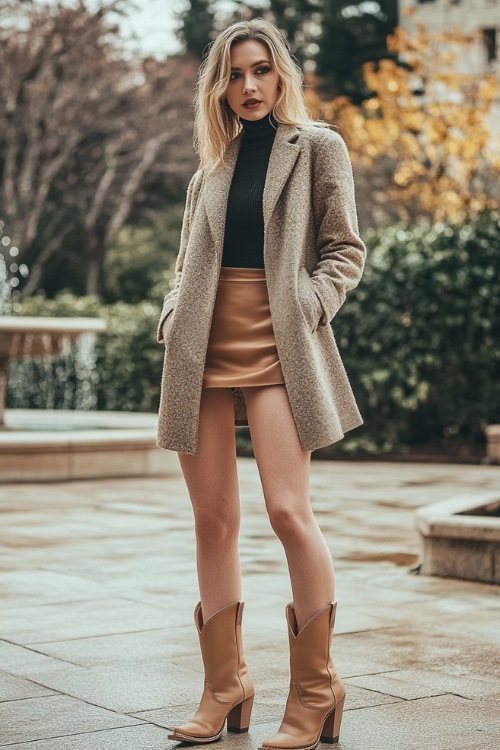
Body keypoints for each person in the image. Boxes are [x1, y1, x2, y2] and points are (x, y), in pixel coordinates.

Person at [156, 17, 366, 750]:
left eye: (261, 71)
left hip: (280, 348)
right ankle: (225, 686)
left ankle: (316, 690)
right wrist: (175, 312)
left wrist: (309, 305)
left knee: (286, 511)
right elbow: (186, 265)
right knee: (212, 521)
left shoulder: (317, 149)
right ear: (218, 84)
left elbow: (344, 249)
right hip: (200, 352)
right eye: (235, 74)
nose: (248, 86)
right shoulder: (207, 171)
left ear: (281, 76)